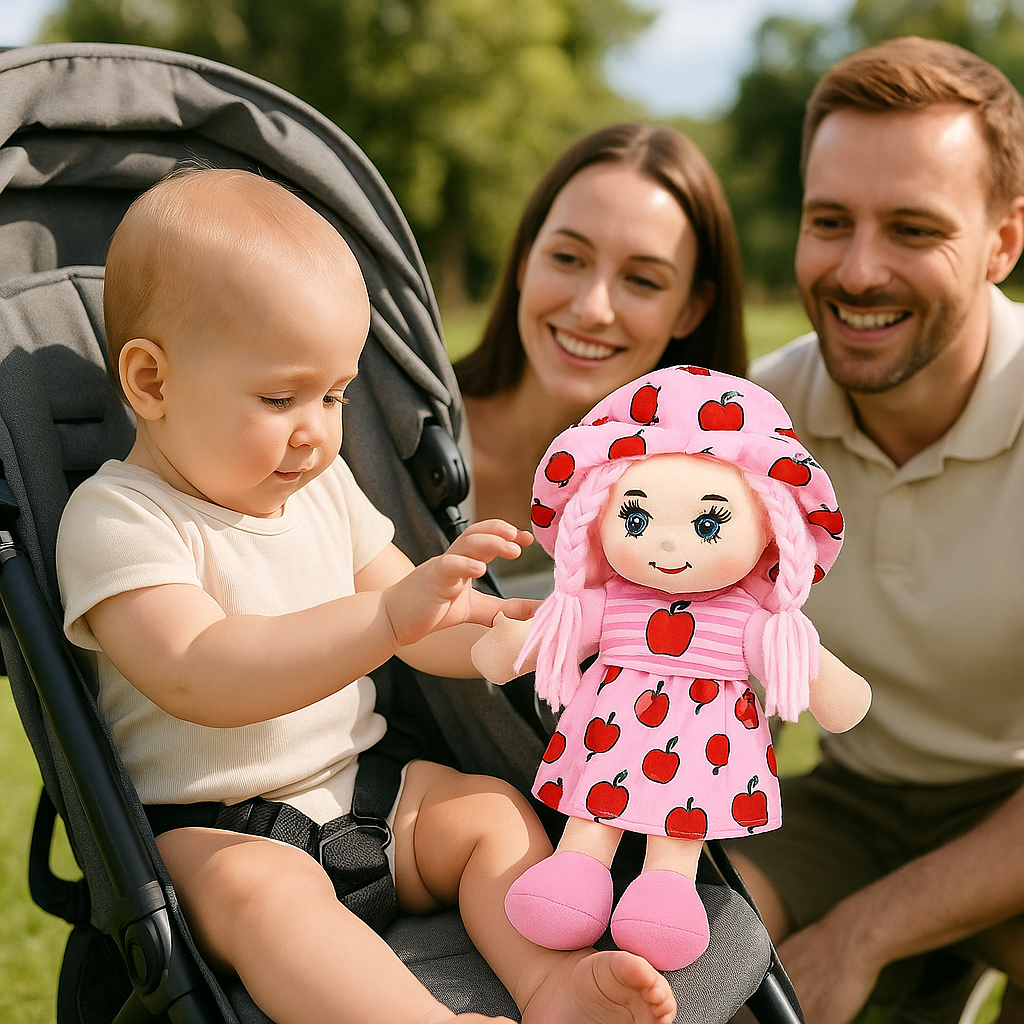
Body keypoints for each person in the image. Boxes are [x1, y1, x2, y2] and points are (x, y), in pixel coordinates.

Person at [55, 167, 679, 1024]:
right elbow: (198, 669)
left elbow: (424, 625)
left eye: (335, 394)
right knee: (263, 899)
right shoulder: (120, 518)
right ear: (153, 383)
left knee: (492, 813)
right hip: (214, 827)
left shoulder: (321, 489)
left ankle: (550, 985)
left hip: (368, 792)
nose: (317, 431)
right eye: (281, 397)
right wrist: (385, 618)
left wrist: (513, 627)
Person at [729, 36, 1024, 1024]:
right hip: (851, 802)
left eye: (912, 228)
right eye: (829, 222)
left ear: (1003, 242)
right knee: (684, 958)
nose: (857, 272)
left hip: (1011, 804)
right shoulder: (755, 423)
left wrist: (865, 931)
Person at [470, 367, 870, 974]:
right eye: (636, 520)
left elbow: (815, 679)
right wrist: (509, 645)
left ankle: (667, 892)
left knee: (676, 838)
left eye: (709, 524)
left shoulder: (746, 621)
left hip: (701, 747)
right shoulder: (611, 604)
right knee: (591, 820)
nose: (667, 545)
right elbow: (545, 638)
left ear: (769, 531)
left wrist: (829, 683)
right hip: (611, 735)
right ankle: (575, 873)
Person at [453, 123, 747, 597]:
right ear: (525, 259)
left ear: (691, 310)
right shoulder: (379, 426)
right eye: (568, 258)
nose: (592, 309)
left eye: (643, 281)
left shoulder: (717, 508)